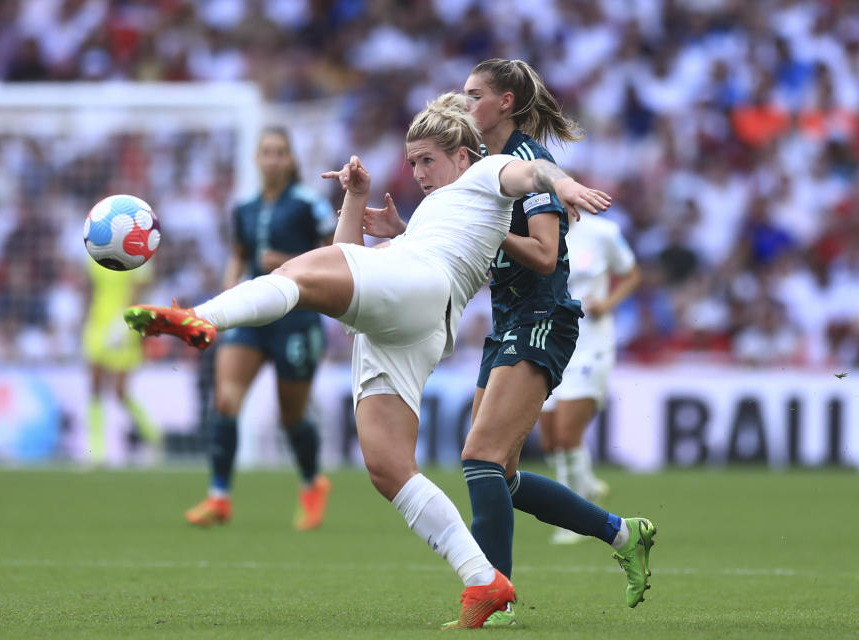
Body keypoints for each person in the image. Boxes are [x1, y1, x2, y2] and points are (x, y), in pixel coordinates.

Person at [122, 92, 611, 628]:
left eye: (429, 160)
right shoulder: (436, 213)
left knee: (296, 274)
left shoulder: (487, 169)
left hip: (420, 286)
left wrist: (561, 183)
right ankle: (483, 580)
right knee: (389, 468)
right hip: (415, 321)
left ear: (463, 157)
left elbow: (531, 171)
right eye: (413, 162)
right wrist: (354, 198)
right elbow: (346, 260)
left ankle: (201, 318)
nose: (420, 173)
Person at [361, 60, 654, 626]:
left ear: (507, 102)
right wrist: (404, 233)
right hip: (508, 320)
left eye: (475, 95)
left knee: (479, 458)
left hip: (543, 314)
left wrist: (498, 227)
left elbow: (545, 255)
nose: (464, 102)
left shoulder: (528, 163)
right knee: (504, 476)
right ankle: (624, 533)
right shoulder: (481, 169)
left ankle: (496, 602)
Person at [185, 126, 335, 531]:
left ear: (290, 159)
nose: (272, 159)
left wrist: (285, 260)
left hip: (297, 319)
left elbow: (333, 256)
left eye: (279, 152)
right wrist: (230, 284)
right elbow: (238, 255)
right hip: (252, 319)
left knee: (292, 417)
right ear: (256, 159)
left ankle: (312, 484)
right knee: (225, 400)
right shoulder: (244, 208)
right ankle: (219, 497)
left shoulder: (310, 204)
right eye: (265, 152)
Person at [541, 209, 641, 545]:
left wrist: (609, 302)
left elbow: (631, 274)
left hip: (590, 345)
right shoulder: (539, 229)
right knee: (550, 440)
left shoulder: (603, 232)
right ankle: (584, 485)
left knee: (569, 434)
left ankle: (571, 519)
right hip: (551, 344)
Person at [81, 257, 159, 465]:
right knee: (95, 387)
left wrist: (121, 324)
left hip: (123, 327)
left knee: (120, 391)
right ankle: (96, 451)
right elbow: (89, 289)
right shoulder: (94, 251)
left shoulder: (136, 252)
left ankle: (152, 434)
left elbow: (141, 287)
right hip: (97, 325)